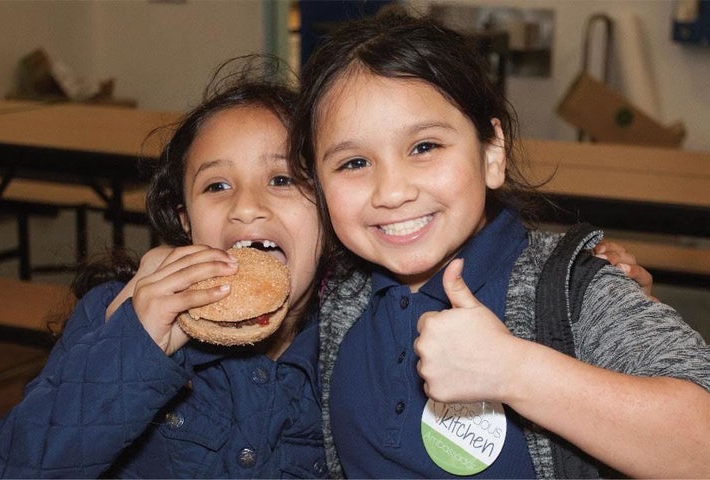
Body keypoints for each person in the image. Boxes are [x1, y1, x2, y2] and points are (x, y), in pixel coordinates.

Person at [290, 12, 710, 479]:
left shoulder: (571, 289)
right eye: (354, 162)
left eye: (425, 147)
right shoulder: (332, 295)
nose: (391, 191)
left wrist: (514, 370)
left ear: (492, 154)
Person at [0, 56, 334, 478]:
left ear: (328, 208)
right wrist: (135, 346)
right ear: (186, 220)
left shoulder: (362, 344)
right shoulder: (116, 314)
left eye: (282, 179)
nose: (245, 207)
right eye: (217, 185)